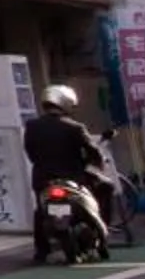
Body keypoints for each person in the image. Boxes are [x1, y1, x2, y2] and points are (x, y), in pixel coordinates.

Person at [25, 84, 107, 261]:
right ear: (65, 103)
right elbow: (93, 151)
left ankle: (41, 251)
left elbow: (30, 152)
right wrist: (99, 163)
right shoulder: (75, 127)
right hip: (73, 177)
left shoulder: (32, 126)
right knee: (106, 187)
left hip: (43, 178)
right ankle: (102, 235)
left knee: (41, 211)